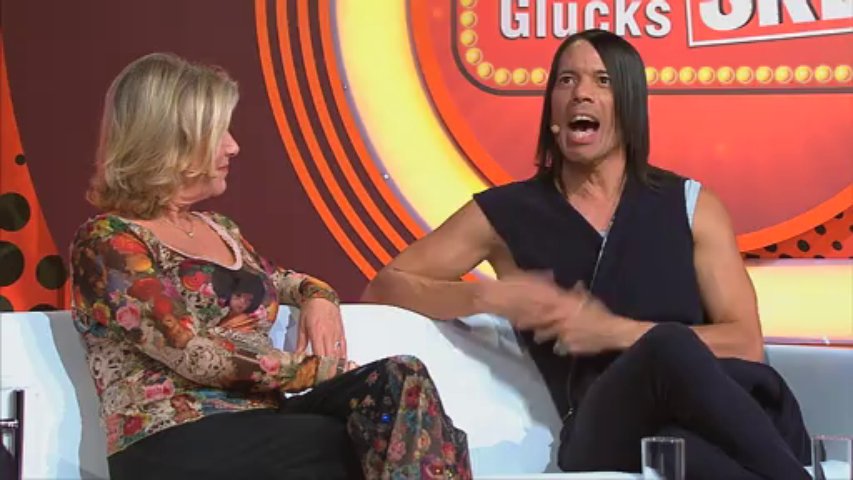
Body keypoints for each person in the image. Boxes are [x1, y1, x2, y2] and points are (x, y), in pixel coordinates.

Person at [362, 30, 810, 479]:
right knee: (669, 345)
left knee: (689, 449)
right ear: (552, 111)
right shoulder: (505, 212)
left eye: (602, 80)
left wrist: (611, 331)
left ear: (629, 104)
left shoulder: (691, 205)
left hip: (701, 422)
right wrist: (487, 297)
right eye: (566, 80)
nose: (581, 93)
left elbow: (745, 342)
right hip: (597, 431)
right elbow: (385, 286)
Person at [69, 52, 471, 480]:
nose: (233, 146)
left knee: (401, 380)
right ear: (173, 140)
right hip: (176, 438)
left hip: (264, 423)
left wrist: (319, 296)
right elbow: (195, 354)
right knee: (390, 443)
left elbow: (283, 282)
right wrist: (316, 370)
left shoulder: (220, 229)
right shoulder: (108, 242)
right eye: (219, 133)